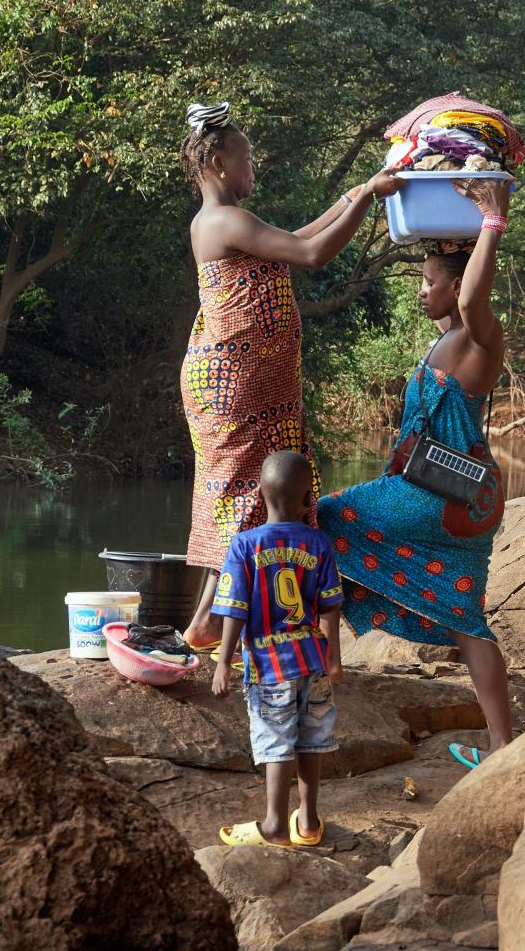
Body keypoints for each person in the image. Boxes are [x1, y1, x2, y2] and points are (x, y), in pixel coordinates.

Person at [179, 101, 403, 648]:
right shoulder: (224, 220)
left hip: (248, 384)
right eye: (246, 158)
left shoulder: (230, 221)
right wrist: (369, 196)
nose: (253, 169)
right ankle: (211, 618)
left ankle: (222, 615)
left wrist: (358, 192)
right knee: (243, 494)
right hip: (238, 385)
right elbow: (312, 252)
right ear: (216, 161)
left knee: (253, 493)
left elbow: (297, 237)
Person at [318, 178, 512, 769]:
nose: (421, 291)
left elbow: (477, 296)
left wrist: (490, 223)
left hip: (441, 496)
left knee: (322, 516)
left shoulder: (480, 338)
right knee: (467, 620)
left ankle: (328, 657)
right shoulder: (444, 341)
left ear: (456, 288)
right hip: (466, 499)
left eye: (429, 283)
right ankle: (504, 746)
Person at [211, 450, 344, 847]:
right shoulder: (318, 543)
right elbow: (330, 608)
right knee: (311, 738)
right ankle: (307, 821)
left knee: (275, 740)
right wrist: (334, 660)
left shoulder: (244, 545)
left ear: (260, 496)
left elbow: (234, 610)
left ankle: (273, 823)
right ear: (308, 501)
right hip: (313, 663)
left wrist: (222, 662)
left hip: (270, 668)